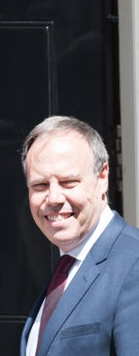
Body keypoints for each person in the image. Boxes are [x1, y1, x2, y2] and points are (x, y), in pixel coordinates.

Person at [19, 115, 139, 355]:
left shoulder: (133, 264)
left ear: (102, 177)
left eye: (68, 182)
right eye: (40, 185)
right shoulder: (65, 268)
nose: (53, 198)